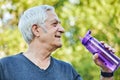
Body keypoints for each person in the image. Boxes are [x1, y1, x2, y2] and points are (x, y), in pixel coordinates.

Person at [0, 5, 114, 80]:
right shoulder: (5, 67)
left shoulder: (67, 71)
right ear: (36, 30)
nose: (62, 29)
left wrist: (106, 71)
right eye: (54, 24)